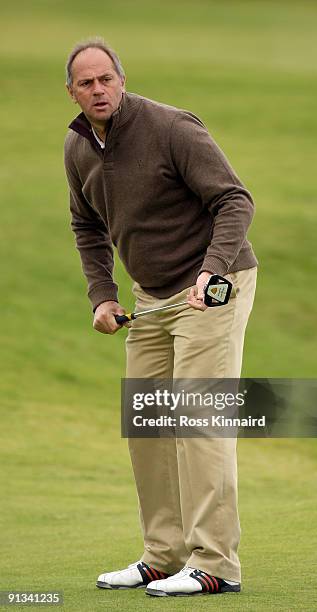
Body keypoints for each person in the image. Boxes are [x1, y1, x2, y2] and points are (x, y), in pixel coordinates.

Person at [64, 38, 258, 598]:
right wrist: (102, 295)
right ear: (72, 92)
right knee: (148, 424)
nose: (98, 89)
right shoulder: (78, 149)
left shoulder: (173, 127)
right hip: (150, 297)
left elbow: (235, 201)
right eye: (86, 83)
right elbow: (87, 227)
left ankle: (216, 564)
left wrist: (212, 272)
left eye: (106, 79)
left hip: (213, 286)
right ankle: (163, 555)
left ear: (121, 80)